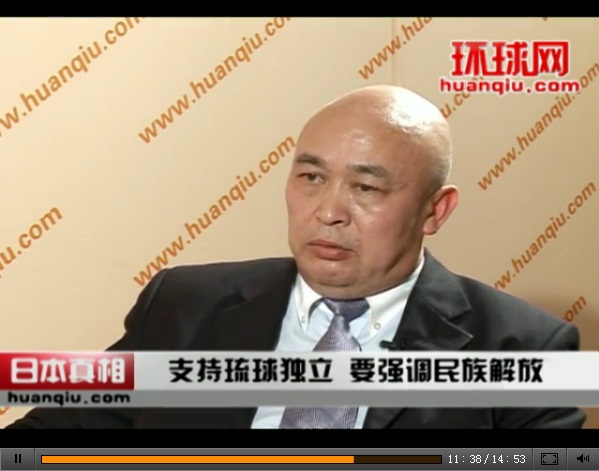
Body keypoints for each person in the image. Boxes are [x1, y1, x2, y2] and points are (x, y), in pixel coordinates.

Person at [6, 85, 586, 429]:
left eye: (367, 187)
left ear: (435, 211)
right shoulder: (182, 305)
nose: (328, 212)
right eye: (311, 177)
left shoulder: (522, 348)